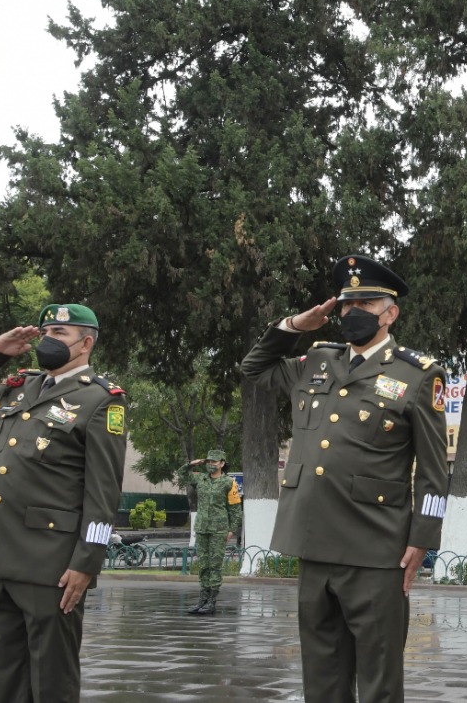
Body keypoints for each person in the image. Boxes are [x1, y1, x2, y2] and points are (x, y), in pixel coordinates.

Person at [241, 254, 448, 703]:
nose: (352, 314)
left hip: (375, 548)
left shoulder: (417, 375)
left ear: (390, 314)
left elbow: (434, 470)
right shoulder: (317, 361)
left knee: (378, 681)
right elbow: (254, 368)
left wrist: (422, 539)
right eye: (345, 305)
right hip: (313, 542)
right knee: (322, 680)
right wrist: (296, 324)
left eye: (365, 304)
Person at [0, 303, 127, 703]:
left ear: (86, 343)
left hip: (51, 564)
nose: (47, 340)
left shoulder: (100, 400)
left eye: (59, 334)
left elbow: (103, 493)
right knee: (5, 675)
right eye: (45, 332)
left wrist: (85, 563)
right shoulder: (16, 388)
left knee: (51, 680)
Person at [180, 448, 243, 616]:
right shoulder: (200, 479)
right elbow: (182, 474)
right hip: (202, 528)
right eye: (208, 462)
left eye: (213, 462)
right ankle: (202, 599)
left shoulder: (229, 482)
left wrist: (232, 530)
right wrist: (191, 464)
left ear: (222, 463)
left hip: (219, 530)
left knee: (215, 566)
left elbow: (236, 509)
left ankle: (212, 601)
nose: (210, 465)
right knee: (204, 565)